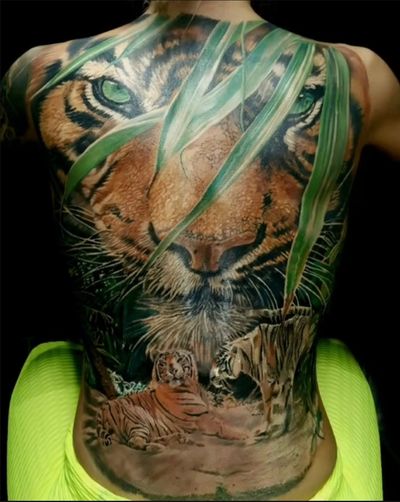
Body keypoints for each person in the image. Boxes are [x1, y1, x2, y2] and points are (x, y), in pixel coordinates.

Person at [1, 0, 399, 500]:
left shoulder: (36, 72)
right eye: (110, 94)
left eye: (298, 103)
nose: (207, 235)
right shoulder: (359, 74)